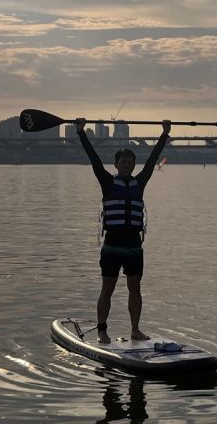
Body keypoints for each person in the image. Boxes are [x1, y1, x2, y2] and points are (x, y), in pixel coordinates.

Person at [75, 118, 171, 344]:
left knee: (135, 288)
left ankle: (135, 330)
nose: (127, 165)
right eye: (123, 162)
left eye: (130, 162)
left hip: (134, 247)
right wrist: (80, 132)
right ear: (116, 164)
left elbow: (153, 159)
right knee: (107, 288)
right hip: (112, 246)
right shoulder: (107, 182)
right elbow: (94, 159)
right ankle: (101, 331)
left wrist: (165, 134)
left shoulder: (140, 181)